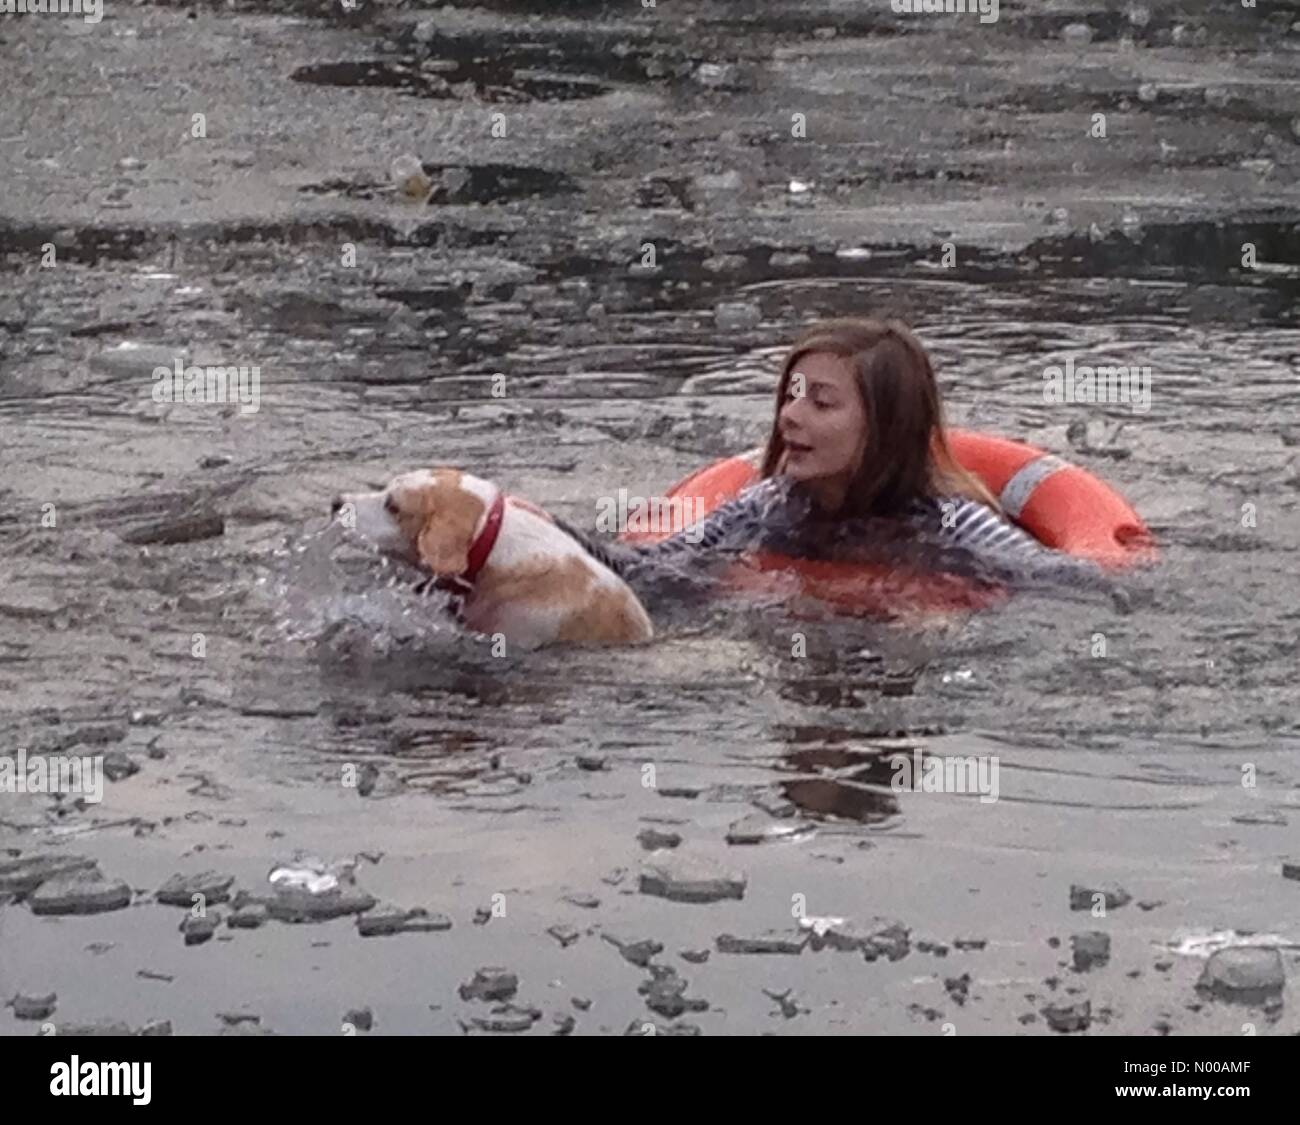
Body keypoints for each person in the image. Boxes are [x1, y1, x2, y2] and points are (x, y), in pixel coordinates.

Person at [564, 317, 1124, 604]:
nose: (790, 417)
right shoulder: (768, 505)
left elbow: (1073, 586)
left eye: (822, 402)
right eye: (790, 394)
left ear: (883, 427)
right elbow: (662, 570)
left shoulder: (956, 522)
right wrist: (547, 536)